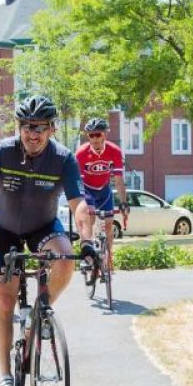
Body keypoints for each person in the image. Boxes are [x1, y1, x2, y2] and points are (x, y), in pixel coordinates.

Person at [0, 95, 90, 386]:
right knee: (5, 301)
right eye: (27, 127)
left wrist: (87, 241)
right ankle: (6, 375)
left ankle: (39, 312)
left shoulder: (63, 158)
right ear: (19, 127)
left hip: (41, 226)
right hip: (3, 228)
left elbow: (79, 204)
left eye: (40, 128)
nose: (33, 134)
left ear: (52, 129)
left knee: (64, 260)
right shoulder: (2, 152)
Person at [75, 117, 128, 274]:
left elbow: (118, 180)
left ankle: (107, 257)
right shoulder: (81, 154)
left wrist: (124, 202)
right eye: (91, 135)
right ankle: (89, 258)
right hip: (87, 190)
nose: (95, 138)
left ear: (105, 134)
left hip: (104, 190)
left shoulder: (115, 151)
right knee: (89, 219)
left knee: (110, 223)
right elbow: (78, 184)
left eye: (98, 134)